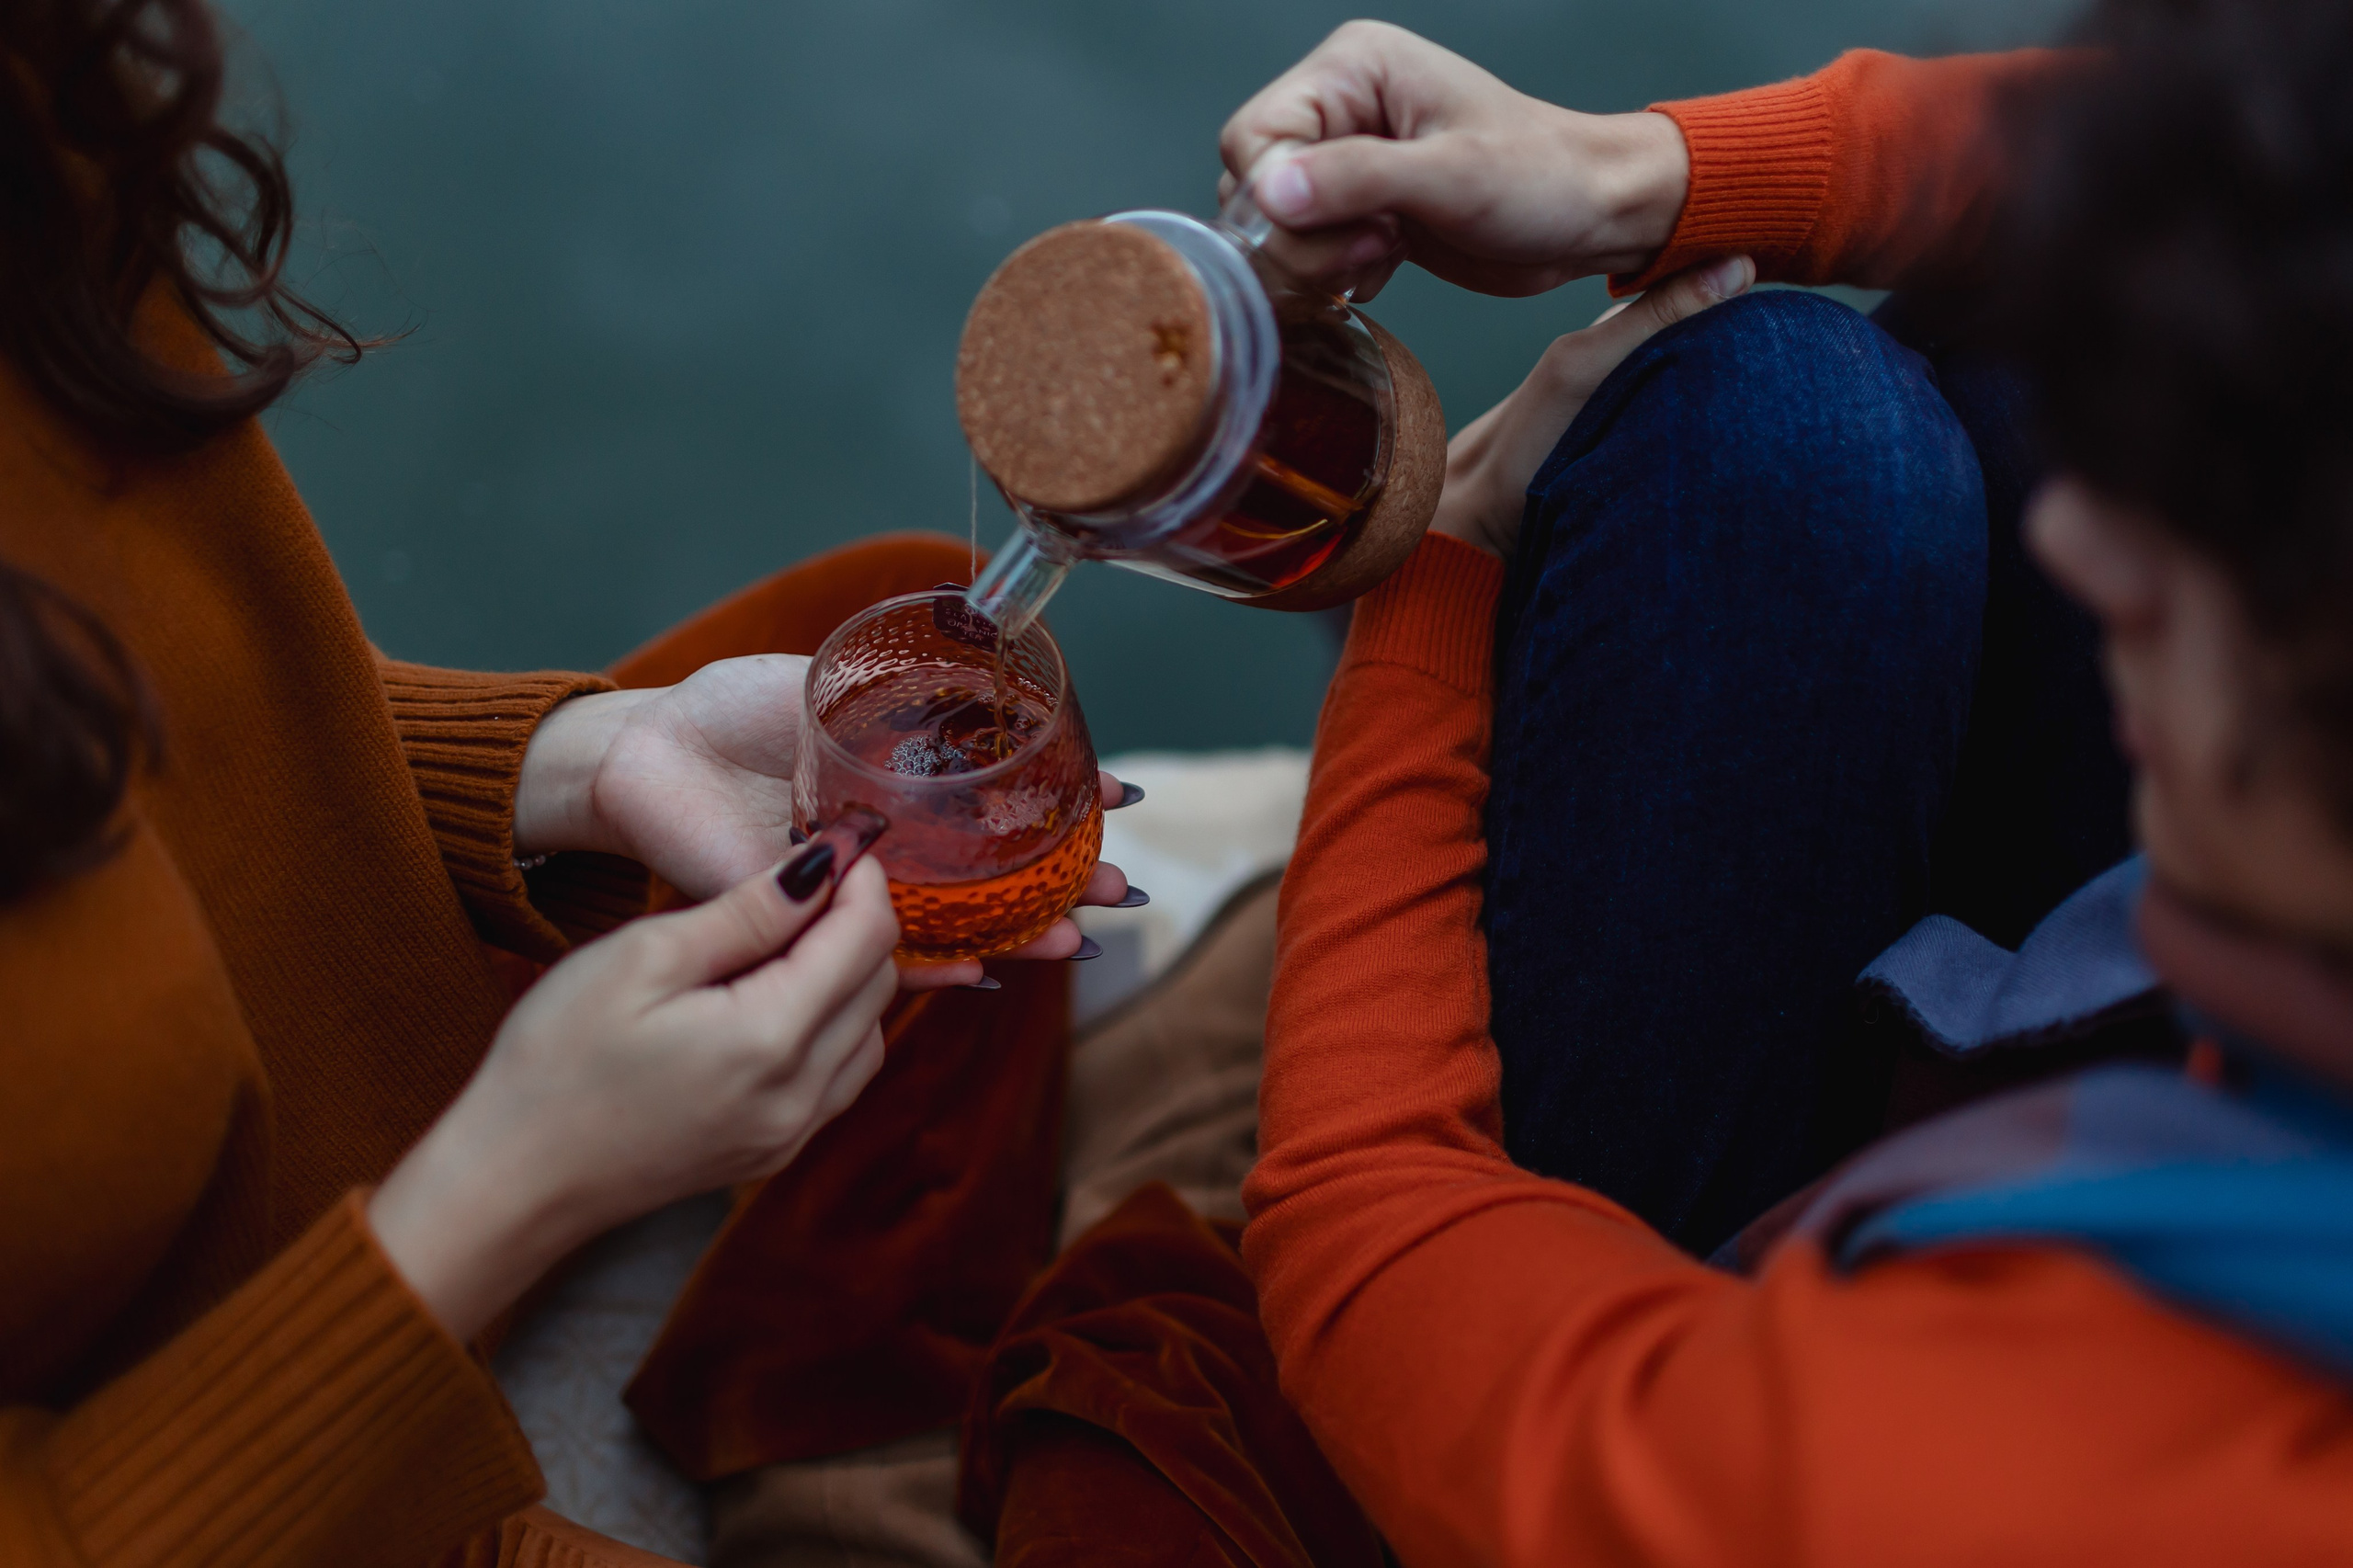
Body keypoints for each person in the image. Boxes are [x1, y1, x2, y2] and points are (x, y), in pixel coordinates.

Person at [1192, 3, 2353, 1561]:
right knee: (1911, 381)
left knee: (1778, 428)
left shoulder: (2053, 1487)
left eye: (2219, 564)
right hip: (2160, 1077)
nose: (2091, 544)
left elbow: (1367, 1229)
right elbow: (2211, 177)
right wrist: (1630, 175)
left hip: (1800, 1385)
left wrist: (1441, 568)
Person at [0, 2, 1134, 1562]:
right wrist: (511, 1187)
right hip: (243, 1473)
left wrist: (580, 759)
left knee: (884, 628)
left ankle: (817, 1448)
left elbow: (118, 706)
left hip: (334, 1078)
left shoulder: (32, 100)